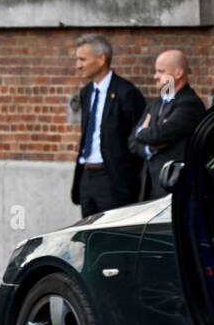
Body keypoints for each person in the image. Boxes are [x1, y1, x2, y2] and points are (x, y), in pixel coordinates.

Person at [71, 34, 146, 217]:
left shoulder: (126, 93)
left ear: (101, 59)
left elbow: (137, 140)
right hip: (87, 177)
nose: (78, 65)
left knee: (114, 238)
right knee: (89, 236)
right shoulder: (86, 92)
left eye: (82, 59)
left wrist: (126, 175)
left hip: (113, 179)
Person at [129, 49, 206, 200]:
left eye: (161, 71)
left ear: (178, 73)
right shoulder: (155, 104)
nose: (155, 76)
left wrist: (142, 132)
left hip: (175, 188)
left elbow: (161, 134)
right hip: (150, 187)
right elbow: (132, 141)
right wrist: (149, 148)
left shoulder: (189, 104)